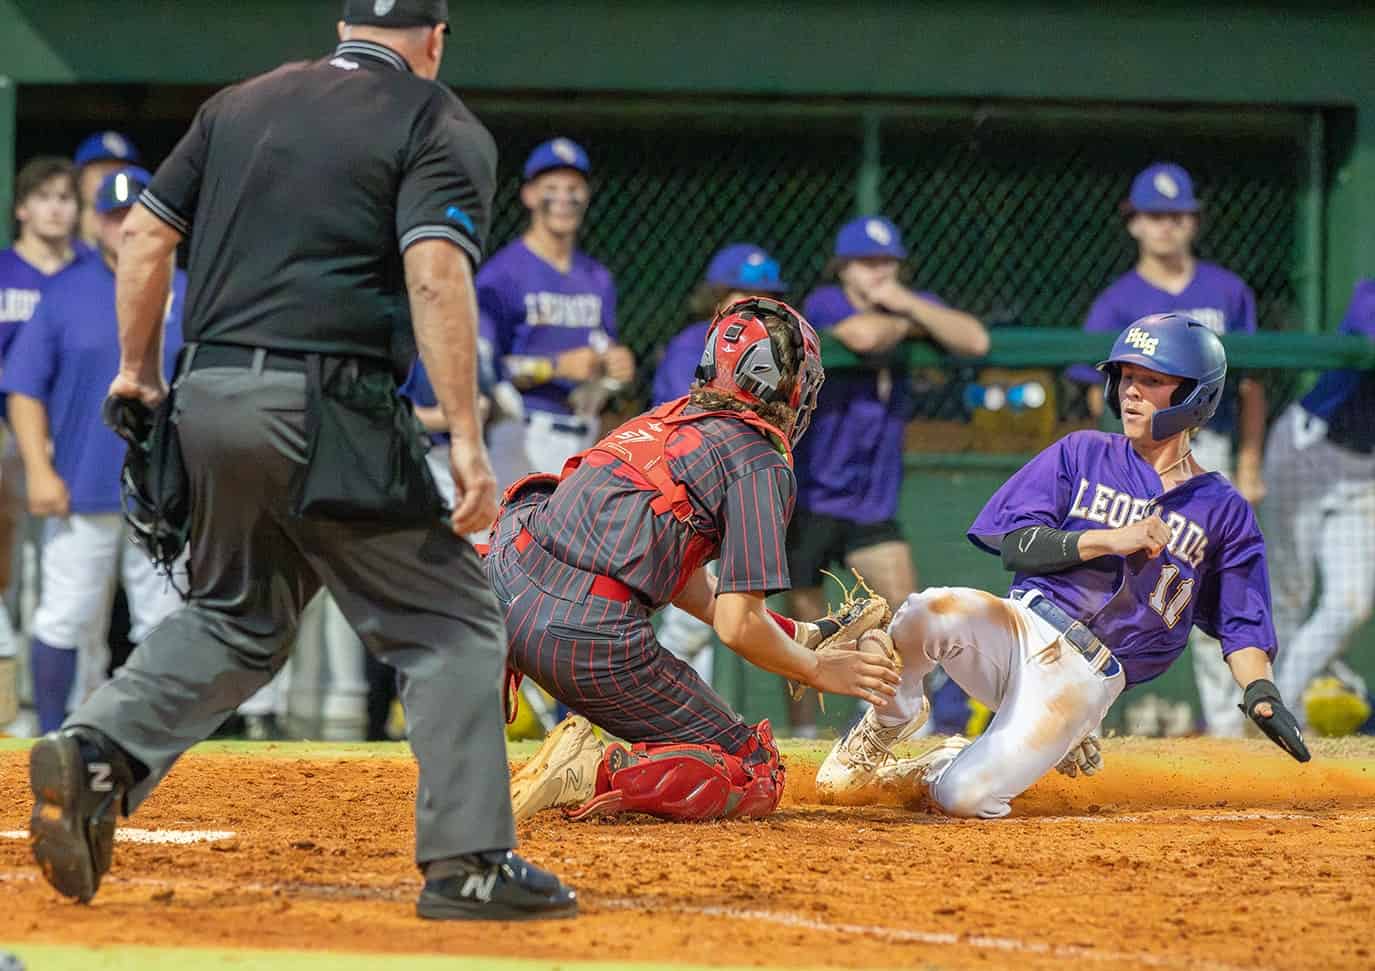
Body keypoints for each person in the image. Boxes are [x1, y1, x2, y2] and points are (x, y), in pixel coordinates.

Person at [26, 0, 575, 921]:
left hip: (206, 399)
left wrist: (136, 374)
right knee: (451, 624)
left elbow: (144, 238)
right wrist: (469, 441)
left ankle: (97, 751)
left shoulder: (239, 104)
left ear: (344, 24)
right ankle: (469, 863)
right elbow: (435, 273)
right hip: (326, 403)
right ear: (434, 39)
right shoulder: (436, 120)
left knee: (238, 616)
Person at [816, 313, 1310, 816]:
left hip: (1084, 677)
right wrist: (1110, 539)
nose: (1130, 392)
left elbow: (1242, 624)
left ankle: (943, 763)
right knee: (927, 610)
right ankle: (888, 721)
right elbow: (1017, 545)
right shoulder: (1084, 451)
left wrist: (1260, 689)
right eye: (1126, 377)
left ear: (1194, 396)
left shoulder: (1224, 510)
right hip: (1020, 627)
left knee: (964, 797)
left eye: (1151, 381)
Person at [489, 296, 900, 823]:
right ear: (779, 382)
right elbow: (736, 625)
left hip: (501, 588)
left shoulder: (662, 419)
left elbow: (679, 579)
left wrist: (793, 634)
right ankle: (592, 769)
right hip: (579, 633)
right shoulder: (758, 460)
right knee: (753, 768)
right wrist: (818, 669)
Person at [1069, 162, 1266, 737]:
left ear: (1193, 221)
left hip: (1209, 454)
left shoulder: (1227, 290)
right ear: (1134, 223)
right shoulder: (1115, 301)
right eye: (1155, 215)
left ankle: (1228, 739)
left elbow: (1253, 382)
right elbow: (1093, 393)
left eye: (1177, 214)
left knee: (1210, 587)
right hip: (1130, 461)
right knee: (1111, 586)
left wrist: (1249, 463)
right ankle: (1079, 728)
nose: (1166, 227)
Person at [786, 216, 988, 734]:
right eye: (866, 263)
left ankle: (899, 720)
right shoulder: (829, 301)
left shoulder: (905, 303)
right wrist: (908, 323)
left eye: (886, 262)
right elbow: (863, 335)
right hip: (811, 494)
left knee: (906, 611)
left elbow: (975, 341)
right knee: (804, 626)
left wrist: (909, 305)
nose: (877, 273)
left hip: (871, 500)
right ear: (844, 268)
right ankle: (801, 735)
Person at [2, 166, 184, 733]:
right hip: (82, 484)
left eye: (136, 212)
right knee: (65, 618)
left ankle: (155, 739)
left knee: (166, 623)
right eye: (112, 214)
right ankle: (54, 737)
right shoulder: (64, 292)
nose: (124, 224)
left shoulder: (188, 290)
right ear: (95, 221)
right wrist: (38, 470)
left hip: (165, 493)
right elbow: (24, 387)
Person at [650, 243, 790, 685]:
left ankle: (698, 719)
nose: (753, 306)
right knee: (693, 622)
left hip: (739, 494)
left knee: (728, 622)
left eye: (765, 297)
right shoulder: (692, 345)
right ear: (718, 297)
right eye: (740, 294)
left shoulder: (778, 352)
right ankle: (658, 707)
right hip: (690, 497)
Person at [479, 137, 633, 485]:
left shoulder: (597, 277)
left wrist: (614, 370)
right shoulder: (502, 275)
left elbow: (601, 351)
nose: (564, 198)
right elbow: (484, 367)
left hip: (584, 432)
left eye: (574, 188)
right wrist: (555, 367)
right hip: (519, 431)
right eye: (552, 187)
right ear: (529, 195)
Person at [1266, 280, 1375, 727]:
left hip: (1364, 472)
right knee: (1288, 596)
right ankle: (1267, 713)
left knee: (1352, 604)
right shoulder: (1369, 292)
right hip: (1308, 450)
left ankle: (1281, 711)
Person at [0, 156, 83, 727]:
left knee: (73, 584)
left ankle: (73, 712)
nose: (57, 207)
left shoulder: (89, 274)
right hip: (5, 443)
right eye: (46, 197)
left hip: (75, 447)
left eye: (66, 197)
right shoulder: (4, 274)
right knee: (9, 575)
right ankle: (11, 701)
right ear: (22, 208)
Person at [73, 132, 142, 251]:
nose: (111, 182)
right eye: (104, 174)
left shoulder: (142, 238)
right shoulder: (58, 239)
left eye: (120, 174)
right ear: (80, 179)